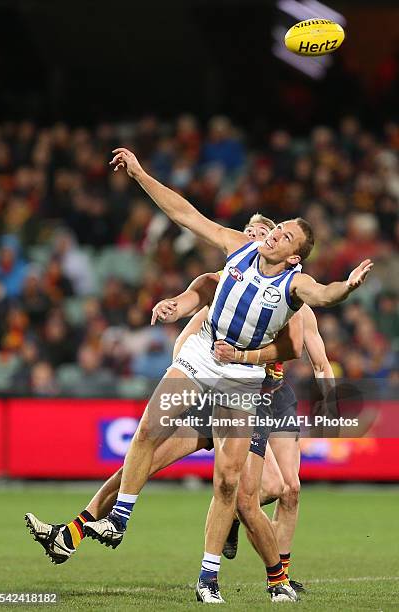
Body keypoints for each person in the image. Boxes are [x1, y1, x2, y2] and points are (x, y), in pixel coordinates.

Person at [27, 147, 372, 605]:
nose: (270, 235)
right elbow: (183, 212)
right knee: (149, 430)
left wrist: (345, 287)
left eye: (283, 234)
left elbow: (322, 301)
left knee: (235, 486)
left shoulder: (294, 287)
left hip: (244, 384)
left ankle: (226, 577)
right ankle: (115, 519)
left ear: (294, 257)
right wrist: (140, 174)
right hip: (202, 362)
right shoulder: (234, 253)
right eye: (274, 228)